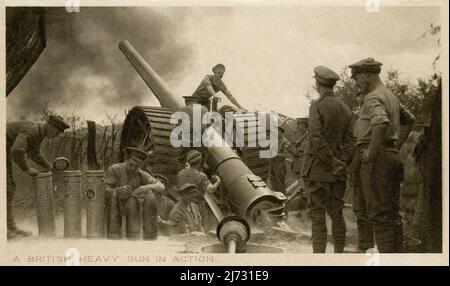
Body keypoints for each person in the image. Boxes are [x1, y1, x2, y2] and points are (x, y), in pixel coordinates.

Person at [349, 58, 415, 253]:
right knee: (391, 214)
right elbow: (409, 120)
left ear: (367, 74)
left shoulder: (373, 97)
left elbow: (380, 123)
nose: (356, 82)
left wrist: (372, 152)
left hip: (376, 160)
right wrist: (394, 146)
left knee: (379, 215)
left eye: (357, 78)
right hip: (388, 156)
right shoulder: (390, 96)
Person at [302, 66, 355, 253]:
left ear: (318, 84)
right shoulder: (346, 109)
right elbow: (351, 142)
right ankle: (338, 256)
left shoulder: (316, 106)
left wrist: (331, 162)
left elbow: (316, 138)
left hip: (317, 170)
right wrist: (341, 164)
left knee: (317, 215)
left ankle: (319, 260)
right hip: (338, 173)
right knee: (337, 213)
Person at [6, 115, 70, 239]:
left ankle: (10, 228)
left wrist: (50, 166)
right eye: (57, 131)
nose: (58, 135)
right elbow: (17, 151)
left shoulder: (37, 135)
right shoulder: (31, 130)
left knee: (8, 189)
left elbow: (34, 154)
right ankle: (9, 230)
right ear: (50, 126)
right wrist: (27, 169)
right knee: (6, 189)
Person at [103, 147, 165, 240]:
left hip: (130, 208)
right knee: (114, 197)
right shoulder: (115, 169)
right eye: (131, 164)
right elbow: (103, 190)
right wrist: (117, 190)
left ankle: (147, 236)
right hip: (112, 206)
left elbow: (161, 186)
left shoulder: (140, 174)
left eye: (137, 166)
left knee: (149, 195)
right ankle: (114, 235)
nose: (133, 168)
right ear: (126, 160)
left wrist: (147, 187)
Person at [177, 150, 221, 231]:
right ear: (200, 162)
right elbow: (210, 190)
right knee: (201, 228)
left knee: (186, 228)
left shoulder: (181, 173)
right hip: (198, 206)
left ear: (188, 161)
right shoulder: (201, 176)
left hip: (183, 204)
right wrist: (218, 182)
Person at [269, 125, 291, 195]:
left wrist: (274, 154)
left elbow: (285, 155)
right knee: (273, 181)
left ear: (281, 132)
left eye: (277, 131)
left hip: (280, 165)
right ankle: (275, 198)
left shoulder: (286, 142)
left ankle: (283, 198)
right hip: (272, 163)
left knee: (280, 183)